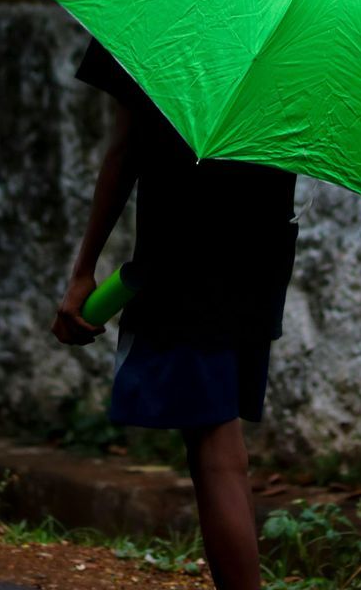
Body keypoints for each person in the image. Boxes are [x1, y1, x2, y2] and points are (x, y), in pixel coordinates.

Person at [51, 36, 299, 590]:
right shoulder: (298, 17)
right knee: (219, 439)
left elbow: (126, 147)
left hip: (185, 246)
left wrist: (84, 269)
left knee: (214, 447)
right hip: (261, 247)